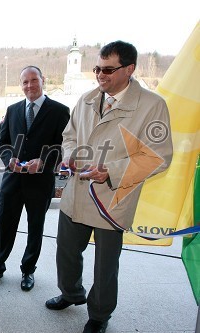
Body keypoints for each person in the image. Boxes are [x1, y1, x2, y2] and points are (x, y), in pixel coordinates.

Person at [45, 41, 173, 333]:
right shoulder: (87, 99)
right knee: (65, 252)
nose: (100, 75)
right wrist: (70, 156)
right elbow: (69, 136)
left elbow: (159, 156)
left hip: (113, 200)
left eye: (108, 70)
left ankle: (99, 315)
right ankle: (71, 293)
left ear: (129, 69)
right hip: (76, 194)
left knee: (105, 267)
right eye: (97, 69)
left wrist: (111, 171)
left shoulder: (153, 106)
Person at [0, 66, 70, 291]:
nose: (29, 85)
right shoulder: (12, 110)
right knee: (4, 226)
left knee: (35, 228)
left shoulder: (60, 111)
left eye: (33, 80)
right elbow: (1, 142)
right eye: (25, 82)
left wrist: (43, 161)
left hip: (40, 182)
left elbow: (65, 146)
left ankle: (28, 270)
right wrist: (10, 158)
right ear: (21, 85)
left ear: (43, 80)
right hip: (13, 180)